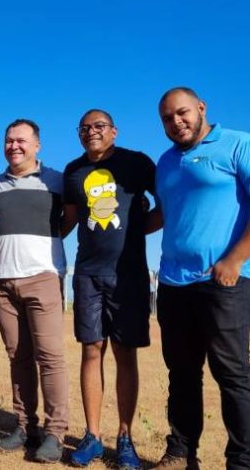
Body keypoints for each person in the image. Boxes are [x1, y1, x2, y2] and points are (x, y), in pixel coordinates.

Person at [153, 87, 250, 470]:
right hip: (174, 283)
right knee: (182, 373)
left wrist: (235, 259)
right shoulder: (165, 162)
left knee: (232, 374)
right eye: (167, 118)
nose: (176, 122)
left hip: (224, 282)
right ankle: (181, 452)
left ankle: (242, 461)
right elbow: (166, 213)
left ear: (201, 108)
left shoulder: (237, 144)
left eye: (182, 113)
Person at [63, 109, 159, 469]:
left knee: (124, 353)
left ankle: (125, 438)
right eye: (84, 128)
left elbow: (165, 205)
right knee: (91, 350)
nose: (91, 132)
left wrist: (138, 231)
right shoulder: (74, 171)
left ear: (114, 131)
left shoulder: (137, 163)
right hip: (87, 274)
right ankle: (92, 436)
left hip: (129, 274)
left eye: (99, 126)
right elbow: (69, 221)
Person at [0, 119, 69, 464]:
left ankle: (55, 432)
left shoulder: (57, 181)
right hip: (3, 282)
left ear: (37, 145)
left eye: (21, 140)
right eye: (8, 141)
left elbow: (72, 217)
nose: (14, 146)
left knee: (50, 357)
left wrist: (48, 246)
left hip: (43, 278)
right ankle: (24, 425)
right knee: (18, 357)